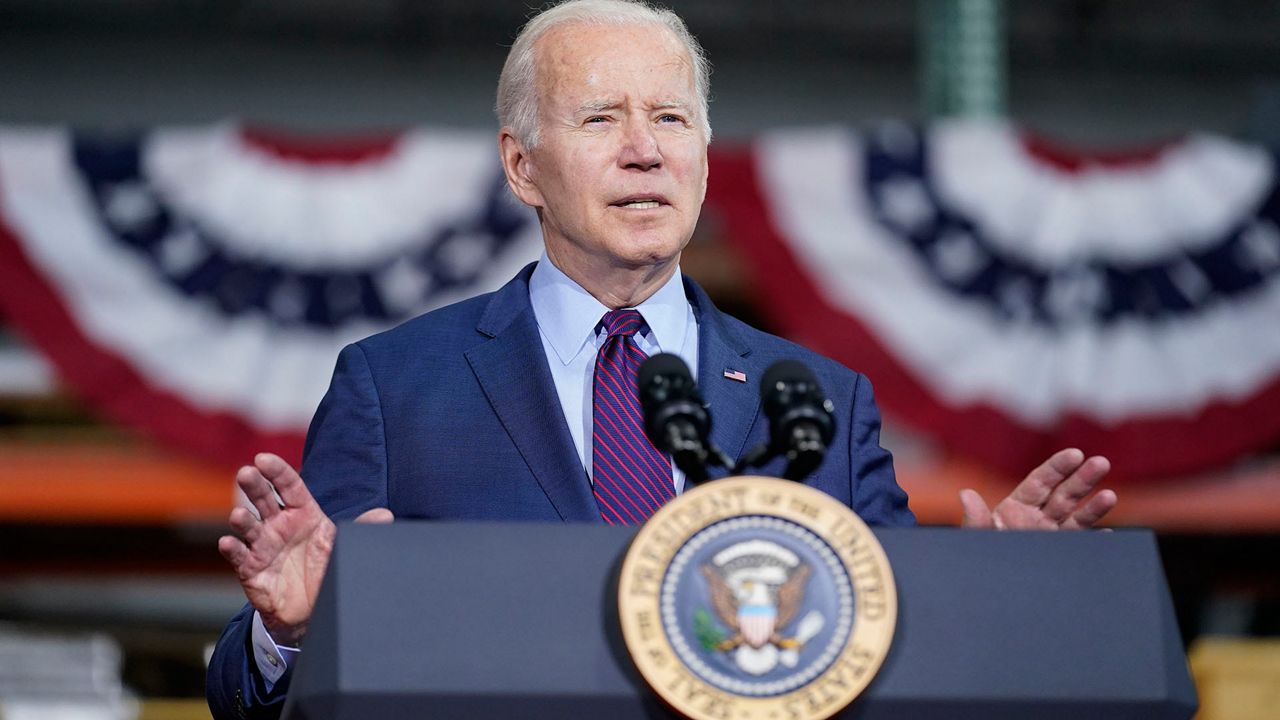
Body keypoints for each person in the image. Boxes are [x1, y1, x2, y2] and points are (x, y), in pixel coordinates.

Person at [206, 1, 1117, 718]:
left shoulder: (819, 402)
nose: (646, 150)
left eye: (672, 118)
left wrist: (994, 599)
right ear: (522, 167)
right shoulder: (396, 385)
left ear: (705, 156)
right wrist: (288, 634)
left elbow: (888, 653)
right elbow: (256, 700)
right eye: (601, 118)